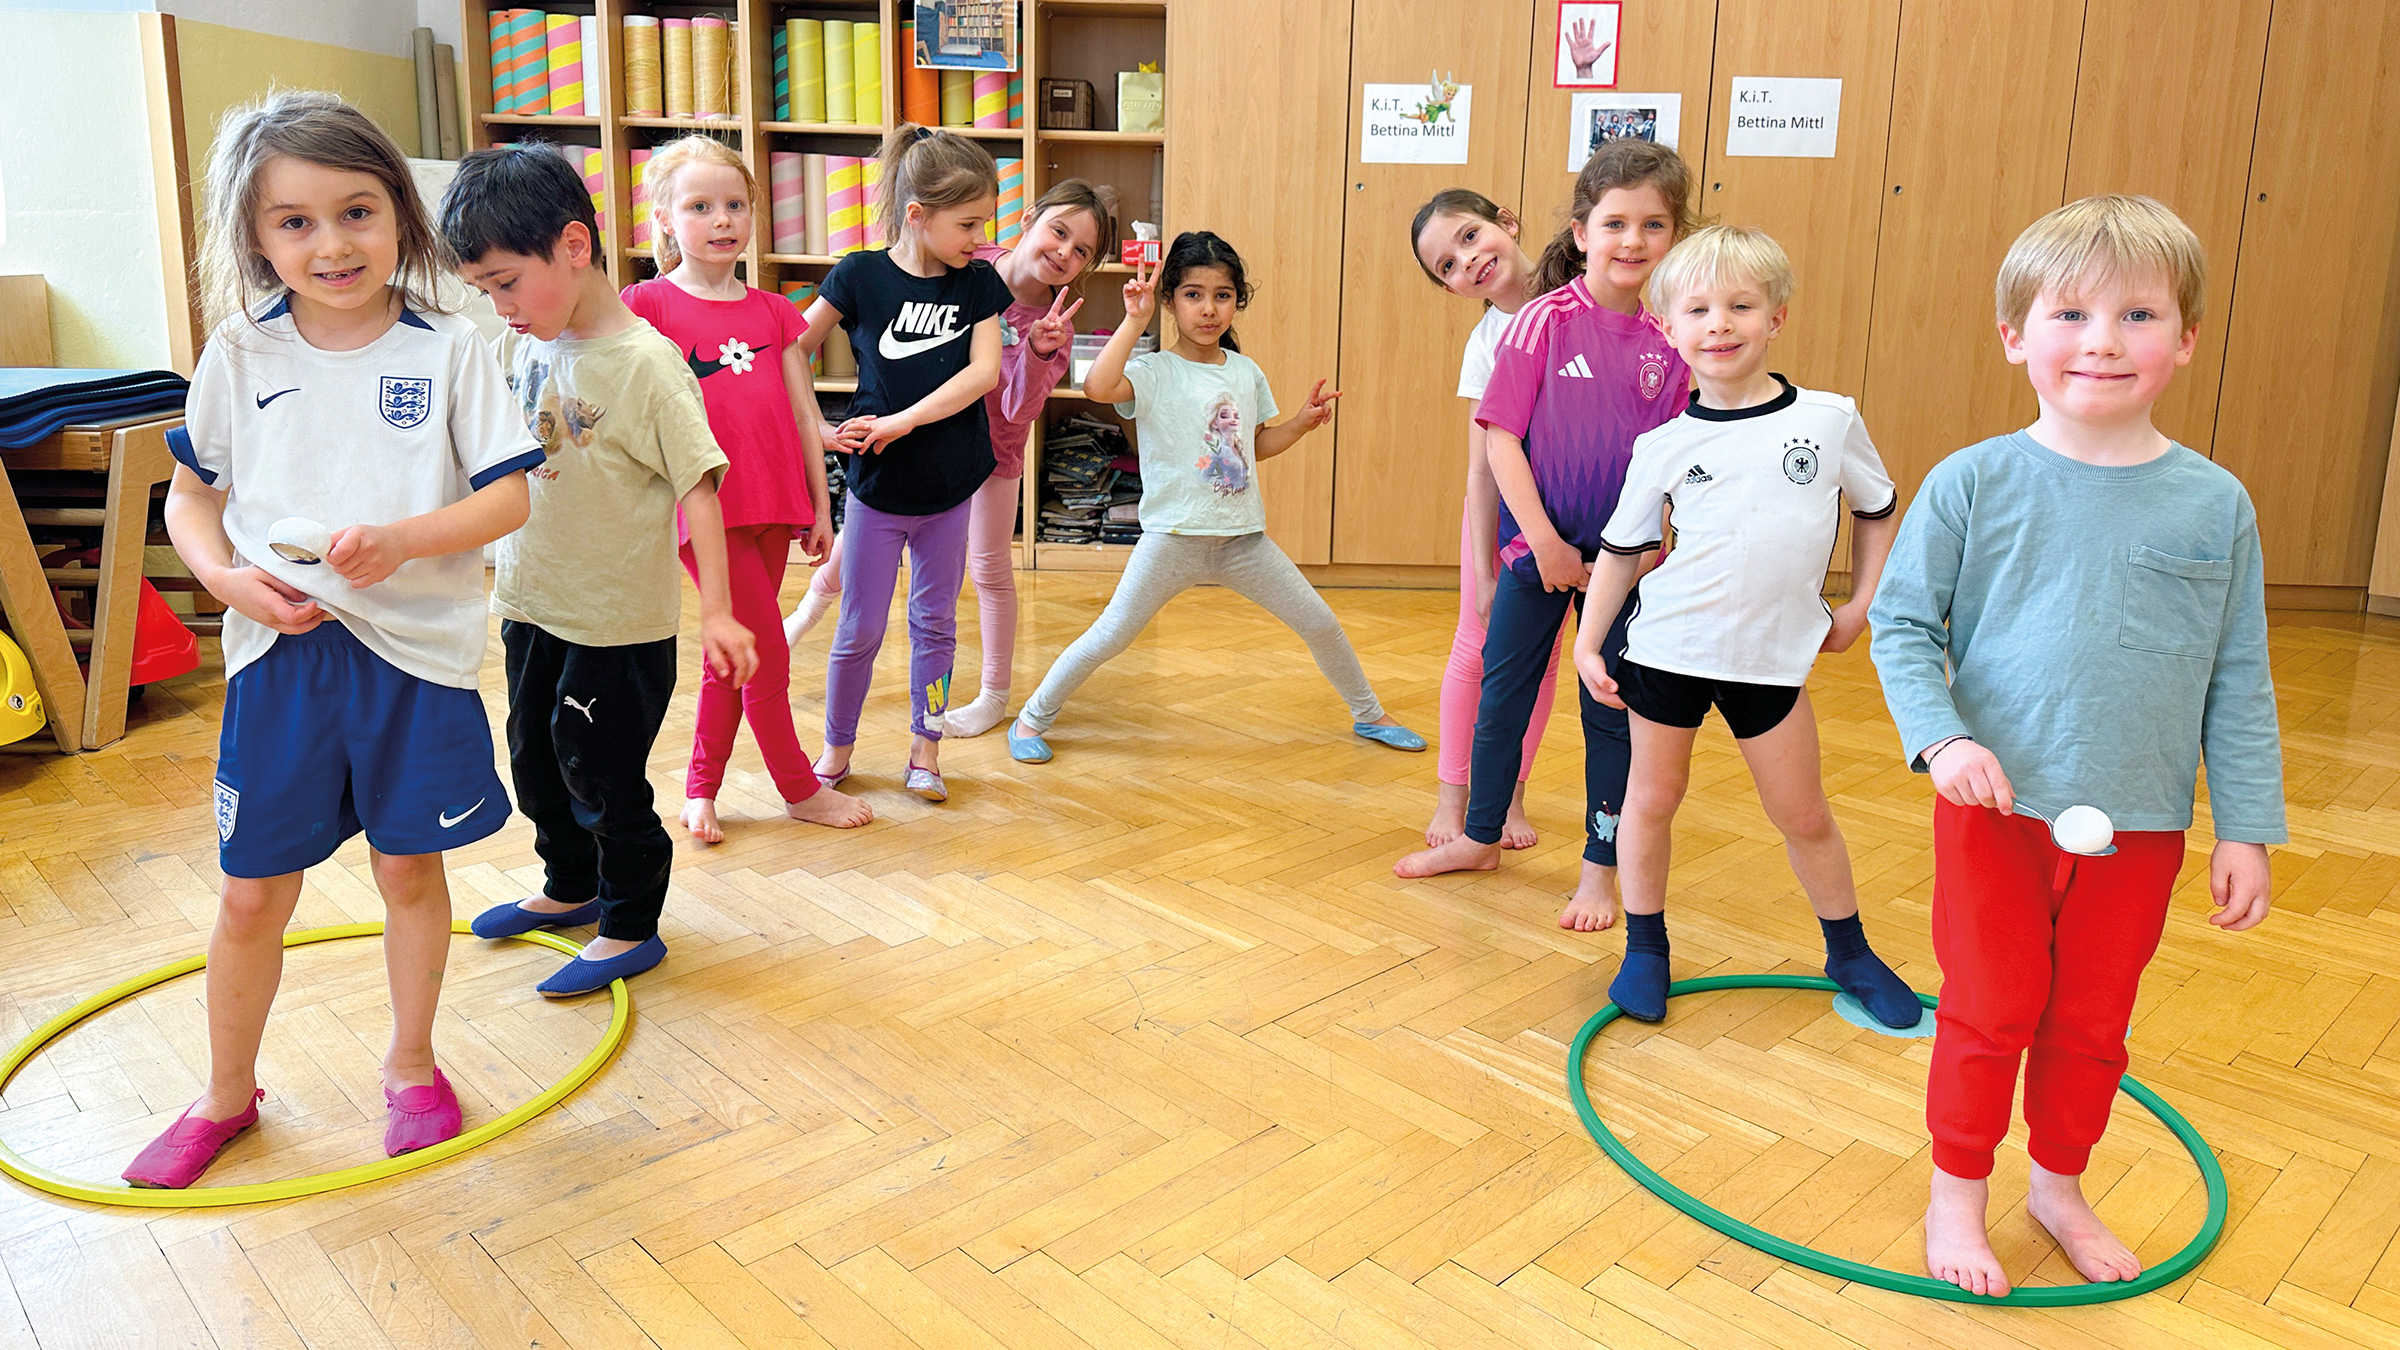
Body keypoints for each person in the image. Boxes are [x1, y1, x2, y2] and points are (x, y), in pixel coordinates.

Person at [1868, 195, 2284, 1297]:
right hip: (1997, 809)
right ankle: (1956, 1192)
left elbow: (2238, 678)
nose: (2103, 339)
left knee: (2093, 1020)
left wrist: (2246, 825)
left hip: (2140, 822)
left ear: (2185, 339)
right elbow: (1905, 627)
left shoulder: (2215, 503)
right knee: (1991, 1004)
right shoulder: (1973, 481)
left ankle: (2058, 1183)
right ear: (2015, 335)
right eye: (2070, 312)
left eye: (2139, 314)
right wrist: (1941, 740)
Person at [128, 92, 543, 1187]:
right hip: (280, 660)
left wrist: (403, 541)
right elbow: (190, 497)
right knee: (252, 892)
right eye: (295, 222)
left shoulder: (455, 347)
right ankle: (226, 1091)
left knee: (410, 871)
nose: (331, 243)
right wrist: (224, 578)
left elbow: (510, 501)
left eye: (356, 211)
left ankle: (411, 1066)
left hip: (415, 662)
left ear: (400, 213)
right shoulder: (239, 349)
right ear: (257, 238)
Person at [1573, 225, 1918, 1028]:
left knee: (1803, 813)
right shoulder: (1662, 444)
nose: (1719, 324)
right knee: (1650, 801)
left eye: (1740, 306)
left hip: (1772, 659)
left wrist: (1862, 601)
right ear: (1669, 327)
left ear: (1777, 318)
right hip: (1667, 650)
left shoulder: (1830, 419)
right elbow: (1622, 553)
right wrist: (1591, 642)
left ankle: (1851, 950)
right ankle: (1646, 947)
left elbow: (1876, 508)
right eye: (1697, 309)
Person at [441, 143, 759, 996]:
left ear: (575, 247)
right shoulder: (528, 345)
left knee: (598, 769)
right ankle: (570, 886)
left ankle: (629, 921)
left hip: (617, 622)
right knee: (537, 763)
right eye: (485, 291)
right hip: (534, 601)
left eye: (508, 282)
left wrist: (721, 614)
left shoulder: (649, 365)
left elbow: (699, 484)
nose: (499, 306)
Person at [1393, 139, 1697, 933]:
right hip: (1540, 553)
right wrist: (1544, 545)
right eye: (1616, 223)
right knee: (1503, 698)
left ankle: (1601, 872)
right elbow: (1499, 439)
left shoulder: (1678, 336)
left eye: (1653, 225)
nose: (1633, 241)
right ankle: (1479, 834)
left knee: (1611, 714)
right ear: (1583, 230)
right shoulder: (1538, 323)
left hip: (1625, 569)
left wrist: (1638, 556)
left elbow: (1681, 454)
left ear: (1676, 235)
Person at [1005, 231, 1425, 762]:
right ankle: (1031, 719)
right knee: (1110, 635)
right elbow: (1097, 387)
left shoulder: (1246, 372)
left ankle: (1369, 714)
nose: (1209, 308)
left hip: (1243, 540)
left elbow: (1252, 446)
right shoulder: (1154, 370)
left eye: (1222, 295)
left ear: (1237, 301)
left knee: (1320, 622)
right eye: (1193, 295)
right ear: (1171, 301)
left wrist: (1299, 424)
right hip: (1172, 539)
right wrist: (1134, 323)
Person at [783, 180, 1118, 741]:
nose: (1065, 253)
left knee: (988, 570)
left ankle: (993, 694)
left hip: (990, 455)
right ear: (1029, 218)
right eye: (1060, 232)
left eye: (1082, 251)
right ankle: (802, 618)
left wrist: (1038, 350)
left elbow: (1016, 408)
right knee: (857, 547)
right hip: (917, 439)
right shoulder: (969, 260)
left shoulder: (1057, 323)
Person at [619, 135, 872, 841]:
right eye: (700, 206)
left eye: (735, 204)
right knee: (765, 648)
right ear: (665, 219)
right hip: (704, 510)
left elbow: (803, 414)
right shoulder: (646, 305)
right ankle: (798, 787)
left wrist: (822, 504)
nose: (722, 219)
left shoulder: (772, 312)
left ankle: (703, 788)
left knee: (731, 651)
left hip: (774, 498)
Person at [798, 125, 1009, 802]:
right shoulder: (859, 275)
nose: (980, 237)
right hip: (878, 491)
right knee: (858, 627)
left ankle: (927, 748)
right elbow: (787, 349)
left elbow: (983, 375)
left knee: (936, 623)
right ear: (916, 215)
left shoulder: (977, 284)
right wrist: (817, 428)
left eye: (986, 221)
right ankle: (837, 749)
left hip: (950, 488)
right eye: (969, 223)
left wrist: (903, 420)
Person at [1409, 187, 1556, 854]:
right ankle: (1454, 795)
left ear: (1507, 222)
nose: (1465, 261)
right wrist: (1484, 569)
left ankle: (1512, 793)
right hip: (1502, 517)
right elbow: (1480, 469)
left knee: (1543, 664)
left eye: (1469, 237)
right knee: (1477, 650)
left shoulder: (1578, 301)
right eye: (1446, 265)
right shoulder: (1486, 342)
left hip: (1577, 510)